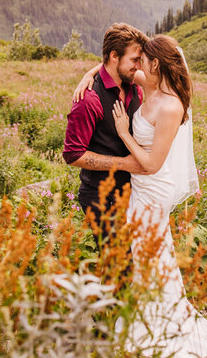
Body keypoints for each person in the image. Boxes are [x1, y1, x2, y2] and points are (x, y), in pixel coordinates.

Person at [74, 34, 207, 358]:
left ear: (155, 64)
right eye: (136, 60)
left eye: (142, 60)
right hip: (140, 182)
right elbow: (113, 67)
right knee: (144, 251)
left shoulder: (171, 105)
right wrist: (87, 75)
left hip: (152, 184)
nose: (137, 66)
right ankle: (144, 313)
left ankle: (157, 322)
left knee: (147, 251)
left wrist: (124, 132)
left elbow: (152, 164)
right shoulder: (148, 83)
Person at [63, 23, 147, 246]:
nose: (139, 67)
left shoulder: (134, 86)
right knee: (116, 264)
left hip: (131, 192)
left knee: (134, 263)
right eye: (134, 60)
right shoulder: (89, 100)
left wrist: (90, 70)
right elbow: (72, 155)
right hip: (100, 197)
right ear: (113, 56)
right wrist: (123, 164)